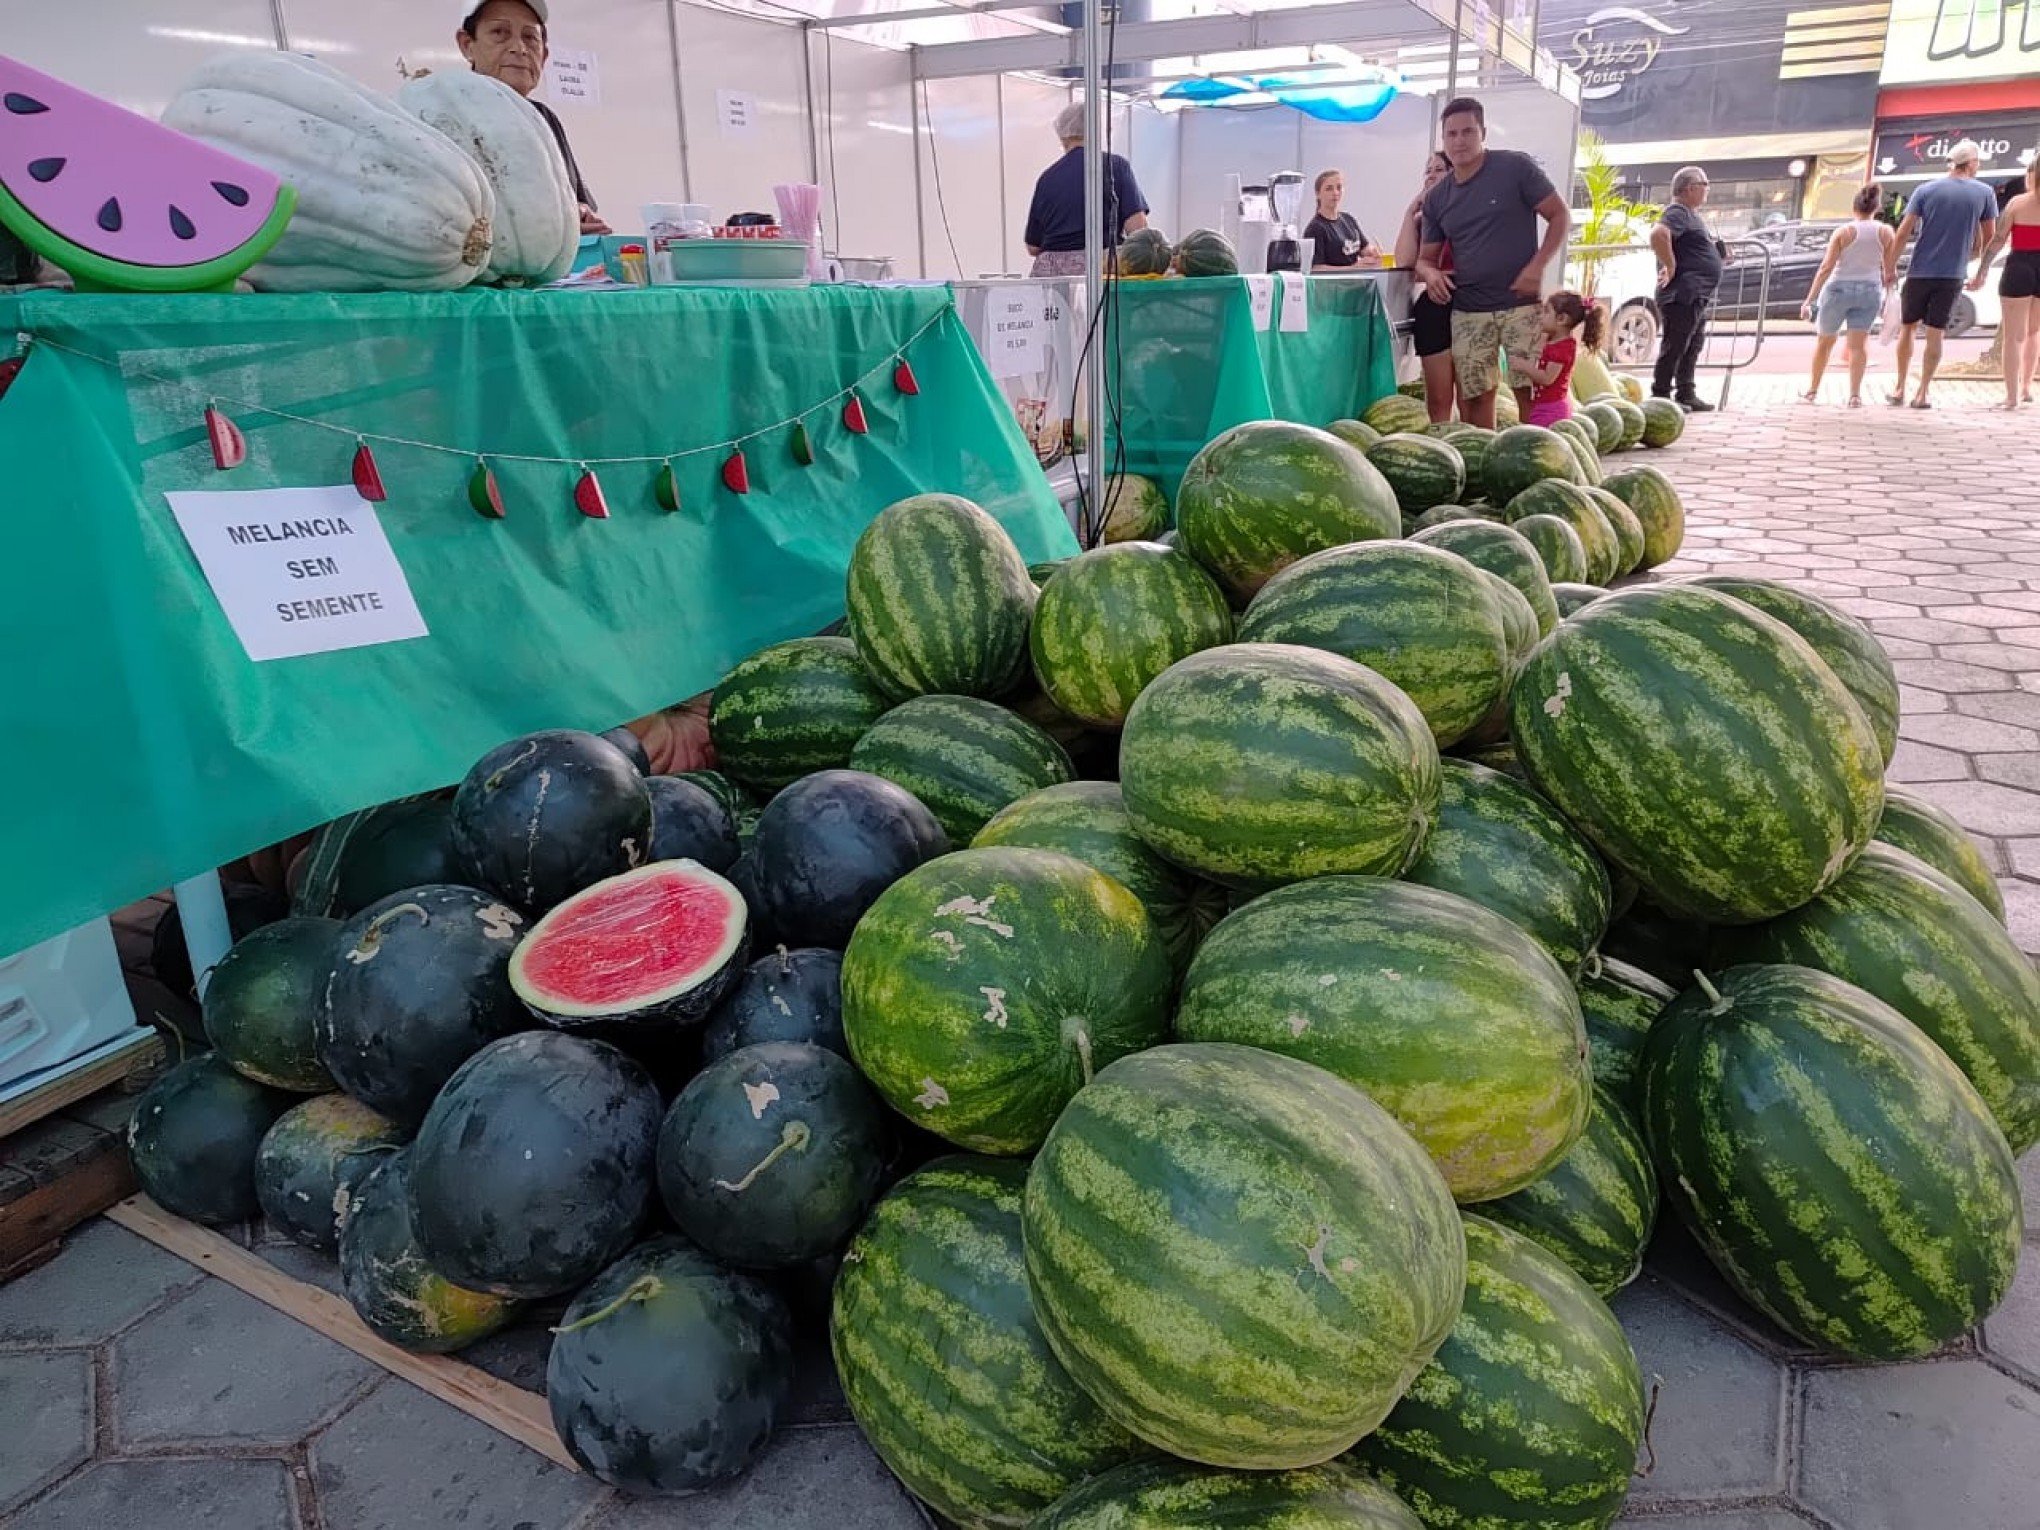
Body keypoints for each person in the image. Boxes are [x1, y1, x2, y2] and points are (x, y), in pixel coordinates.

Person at [1415, 97, 1571, 430]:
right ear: (1443, 140)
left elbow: (1559, 215)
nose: (1459, 141)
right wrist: (1430, 275)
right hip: (1469, 311)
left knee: (1530, 391)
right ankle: (1487, 461)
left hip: (1522, 306)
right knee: (1476, 397)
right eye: (1451, 134)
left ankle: (1536, 456)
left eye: (1468, 131)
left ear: (1483, 132)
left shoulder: (1515, 169)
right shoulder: (1437, 199)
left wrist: (1537, 267)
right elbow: (1424, 260)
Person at [456, 0, 609, 234]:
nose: (519, 48)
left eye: (530, 38)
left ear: (544, 56)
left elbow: (575, 202)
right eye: (500, 32)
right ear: (467, 45)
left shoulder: (544, 119)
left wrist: (578, 213)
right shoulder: (445, 117)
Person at [1884, 139, 1998, 409]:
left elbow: (1903, 231)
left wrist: (1889, 267)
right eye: (1977, 161)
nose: (1978, 165)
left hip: (1920, 271)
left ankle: (1899, 387)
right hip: (1952, 274)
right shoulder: (1984, 193)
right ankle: (1923, 392)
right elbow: (1989, 236)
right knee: (1936, 332)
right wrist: (1974, 261)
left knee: (1908, 328)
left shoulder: (1926, 189)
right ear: (1970, 163)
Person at [1023, 102, 1149, 280]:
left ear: (1062, 136)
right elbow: (1137, 230)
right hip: (1102, 272)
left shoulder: (1047, 177)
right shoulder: (1116, 166)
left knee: (1056, 310)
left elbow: (1033, 247)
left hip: (1053, 284)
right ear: (1098, 129)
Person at [1797, 183, 1895, 408]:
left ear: (1854, 207)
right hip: (1870, 290)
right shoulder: (1886, 232)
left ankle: (1812, 390)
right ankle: (1854, 395)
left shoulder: (1844, 232)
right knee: (1858, 346)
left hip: (1838, 289)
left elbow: (1826, 267)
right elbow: (1889, 270)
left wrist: (1809, 299)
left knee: (1825, 342)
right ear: (1877, 207)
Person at [1649, 166, 1726, 412]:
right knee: (1676, 344)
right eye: (1705, 185)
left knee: (1692, 343)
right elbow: (1658, 233)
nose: (1707, 190)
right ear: (1690, 188)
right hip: (1683, 292)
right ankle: (1660, 395)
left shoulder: (1690, 215)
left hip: (1696, 292)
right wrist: (1670, 265)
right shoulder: (1678, 211)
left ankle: (1685, 391)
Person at [1968, 157, 2040, 411]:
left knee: (2013, 336)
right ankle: (2026, 388)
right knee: (2034, 332)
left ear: (2031, 176)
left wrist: (1982, 271)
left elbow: (1998, 240)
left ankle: (2011, 397)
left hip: (2019, 265)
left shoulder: (2017, 203)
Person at [1394, 151, 1457, 422]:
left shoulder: (1467, 211)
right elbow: (1405, 261)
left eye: (1439, 168)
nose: (1431, 174)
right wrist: (1411, 212)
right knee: (1439, 399)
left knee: (1472, 396)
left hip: (1470, 304)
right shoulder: (1423, 218)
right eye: (1428, 169)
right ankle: (1444, 446)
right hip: (1434, 307)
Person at [1523, 291, 1602, 427]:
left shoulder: (1563, 349)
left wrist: (1524, 366)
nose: (1541, 316)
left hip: (1551, 410)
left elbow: (1547, 378)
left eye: (1546, 312)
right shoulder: (1552, 339)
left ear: (1561, 319)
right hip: (1543, 405)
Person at [1305, 171, 1379, 271]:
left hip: (1356, 283)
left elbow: (1364, 248)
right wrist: (1352, 268)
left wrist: (1373, 253)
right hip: (1333, 285)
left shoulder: (1349, 220)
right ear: (1318, 194)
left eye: (1339, 188)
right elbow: (1316, 268)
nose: (1335, 193)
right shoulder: (1315, 229)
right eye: (1329, 189)